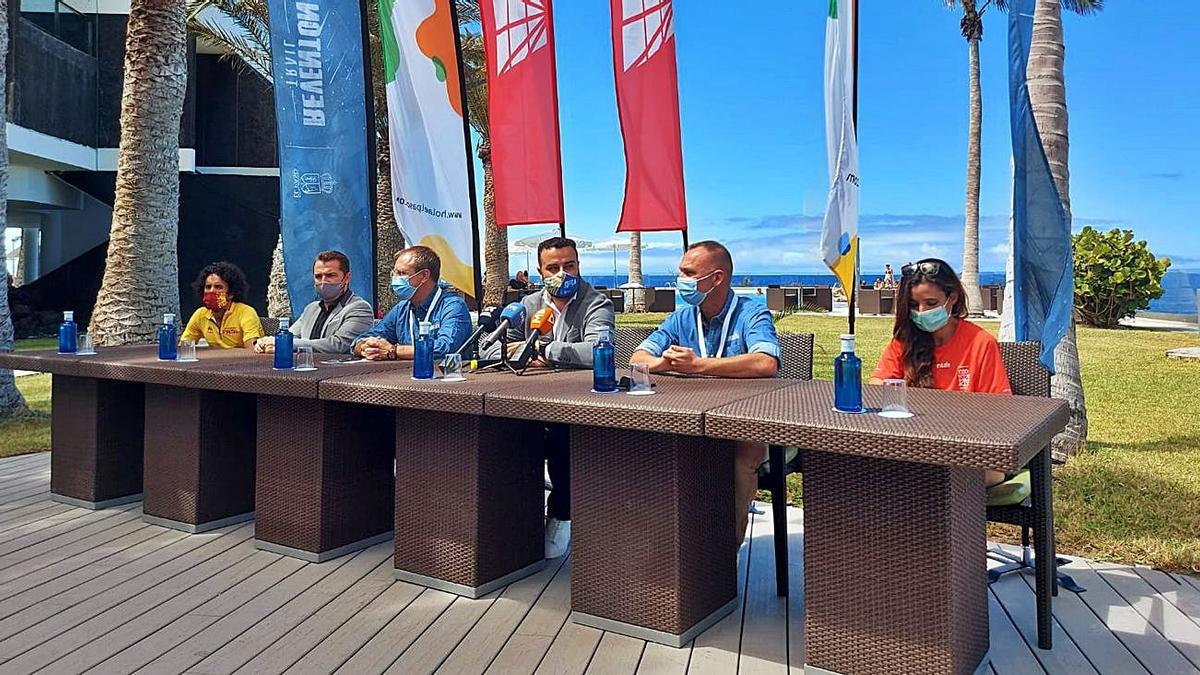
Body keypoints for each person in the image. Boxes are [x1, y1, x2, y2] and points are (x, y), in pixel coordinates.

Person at [631, 241, 781, 548]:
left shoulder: (751, 312)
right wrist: (661, 363)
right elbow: (637, 358)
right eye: (681, 272)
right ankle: (667, 546)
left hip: (743, 422)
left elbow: (766, 362)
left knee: (742, 456)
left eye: (688, 273)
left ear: (716, 279)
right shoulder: (683, 316)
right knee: (647, 445)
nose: (680, 280)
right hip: (688, 420)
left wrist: (698, 365)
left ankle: (725, 552)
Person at [484, 237, 615, 559]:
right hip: (526, 398)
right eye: (553, 268)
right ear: (540, 271)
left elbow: (600, 349)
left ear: (578, 266)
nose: (562, 273)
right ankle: (514, 518)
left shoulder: (596, 303)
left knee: (561, 435)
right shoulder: (527, 306)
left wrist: (544, 350)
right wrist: (513, 349)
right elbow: (489, 348)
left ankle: (562, 514)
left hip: (580, 404)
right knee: (499, 432)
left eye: (569, 266)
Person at [868, 258, 1014, 491]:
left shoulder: (981, 343)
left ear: (952, 298)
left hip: (971, 451)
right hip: (915, 446)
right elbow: (877, 386)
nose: (922, 312)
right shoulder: (904, 341)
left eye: (930, 303)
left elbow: (999, 409)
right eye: (914, 305)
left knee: (930, 478)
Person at [352, 246, 472, 361]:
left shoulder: (453, 305)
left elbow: (445, 348)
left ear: (424, 276)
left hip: (446, 378)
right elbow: (360, 340)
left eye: (401, 273)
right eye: (394, 273)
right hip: (405, 377)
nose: (395, 279)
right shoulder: (401, 308)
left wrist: (393, 351)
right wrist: (365, 347)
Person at [254, 250, 374, 354]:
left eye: (330, 275)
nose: (323, 281)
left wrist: (285, 344)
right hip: (305, 369)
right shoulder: (311, 308)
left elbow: (339, 345)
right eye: (318, 276)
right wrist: (266, 342)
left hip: (340, 375)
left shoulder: (359, 308)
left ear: (347, 278)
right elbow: (290, 336)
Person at [181, 261, 264, 349]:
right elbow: (184, 346)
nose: (211, 291)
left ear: (231, 293)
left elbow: (252, 349)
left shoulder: (245, 312)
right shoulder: (200, 314)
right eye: (208, 287)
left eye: (218, 287)